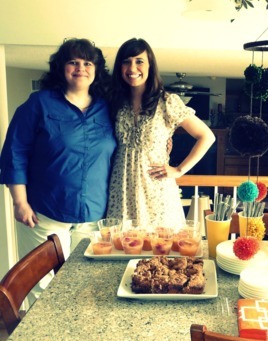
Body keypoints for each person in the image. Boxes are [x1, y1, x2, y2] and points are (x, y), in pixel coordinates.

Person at [0, 38, 116, 302]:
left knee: (87, 284)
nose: (80, 68)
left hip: (93, 215)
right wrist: (19, 202)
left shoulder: (107, 107)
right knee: (43, 288)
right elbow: (15, 152)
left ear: (96, 70)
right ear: (60, 68)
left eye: (87, 63)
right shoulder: (38, 104)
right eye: (73, 62)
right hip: (45, 213)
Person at [106, 38, 215, 228]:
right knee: (122, 249)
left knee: (160, 249)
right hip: (121, 190)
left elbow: (207, 136)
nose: (132, 68)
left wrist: (179, 170)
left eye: (139, 61)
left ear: (150, 66)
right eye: (126, 61)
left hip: (156, 191)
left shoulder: (166, 102)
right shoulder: (115, 103)